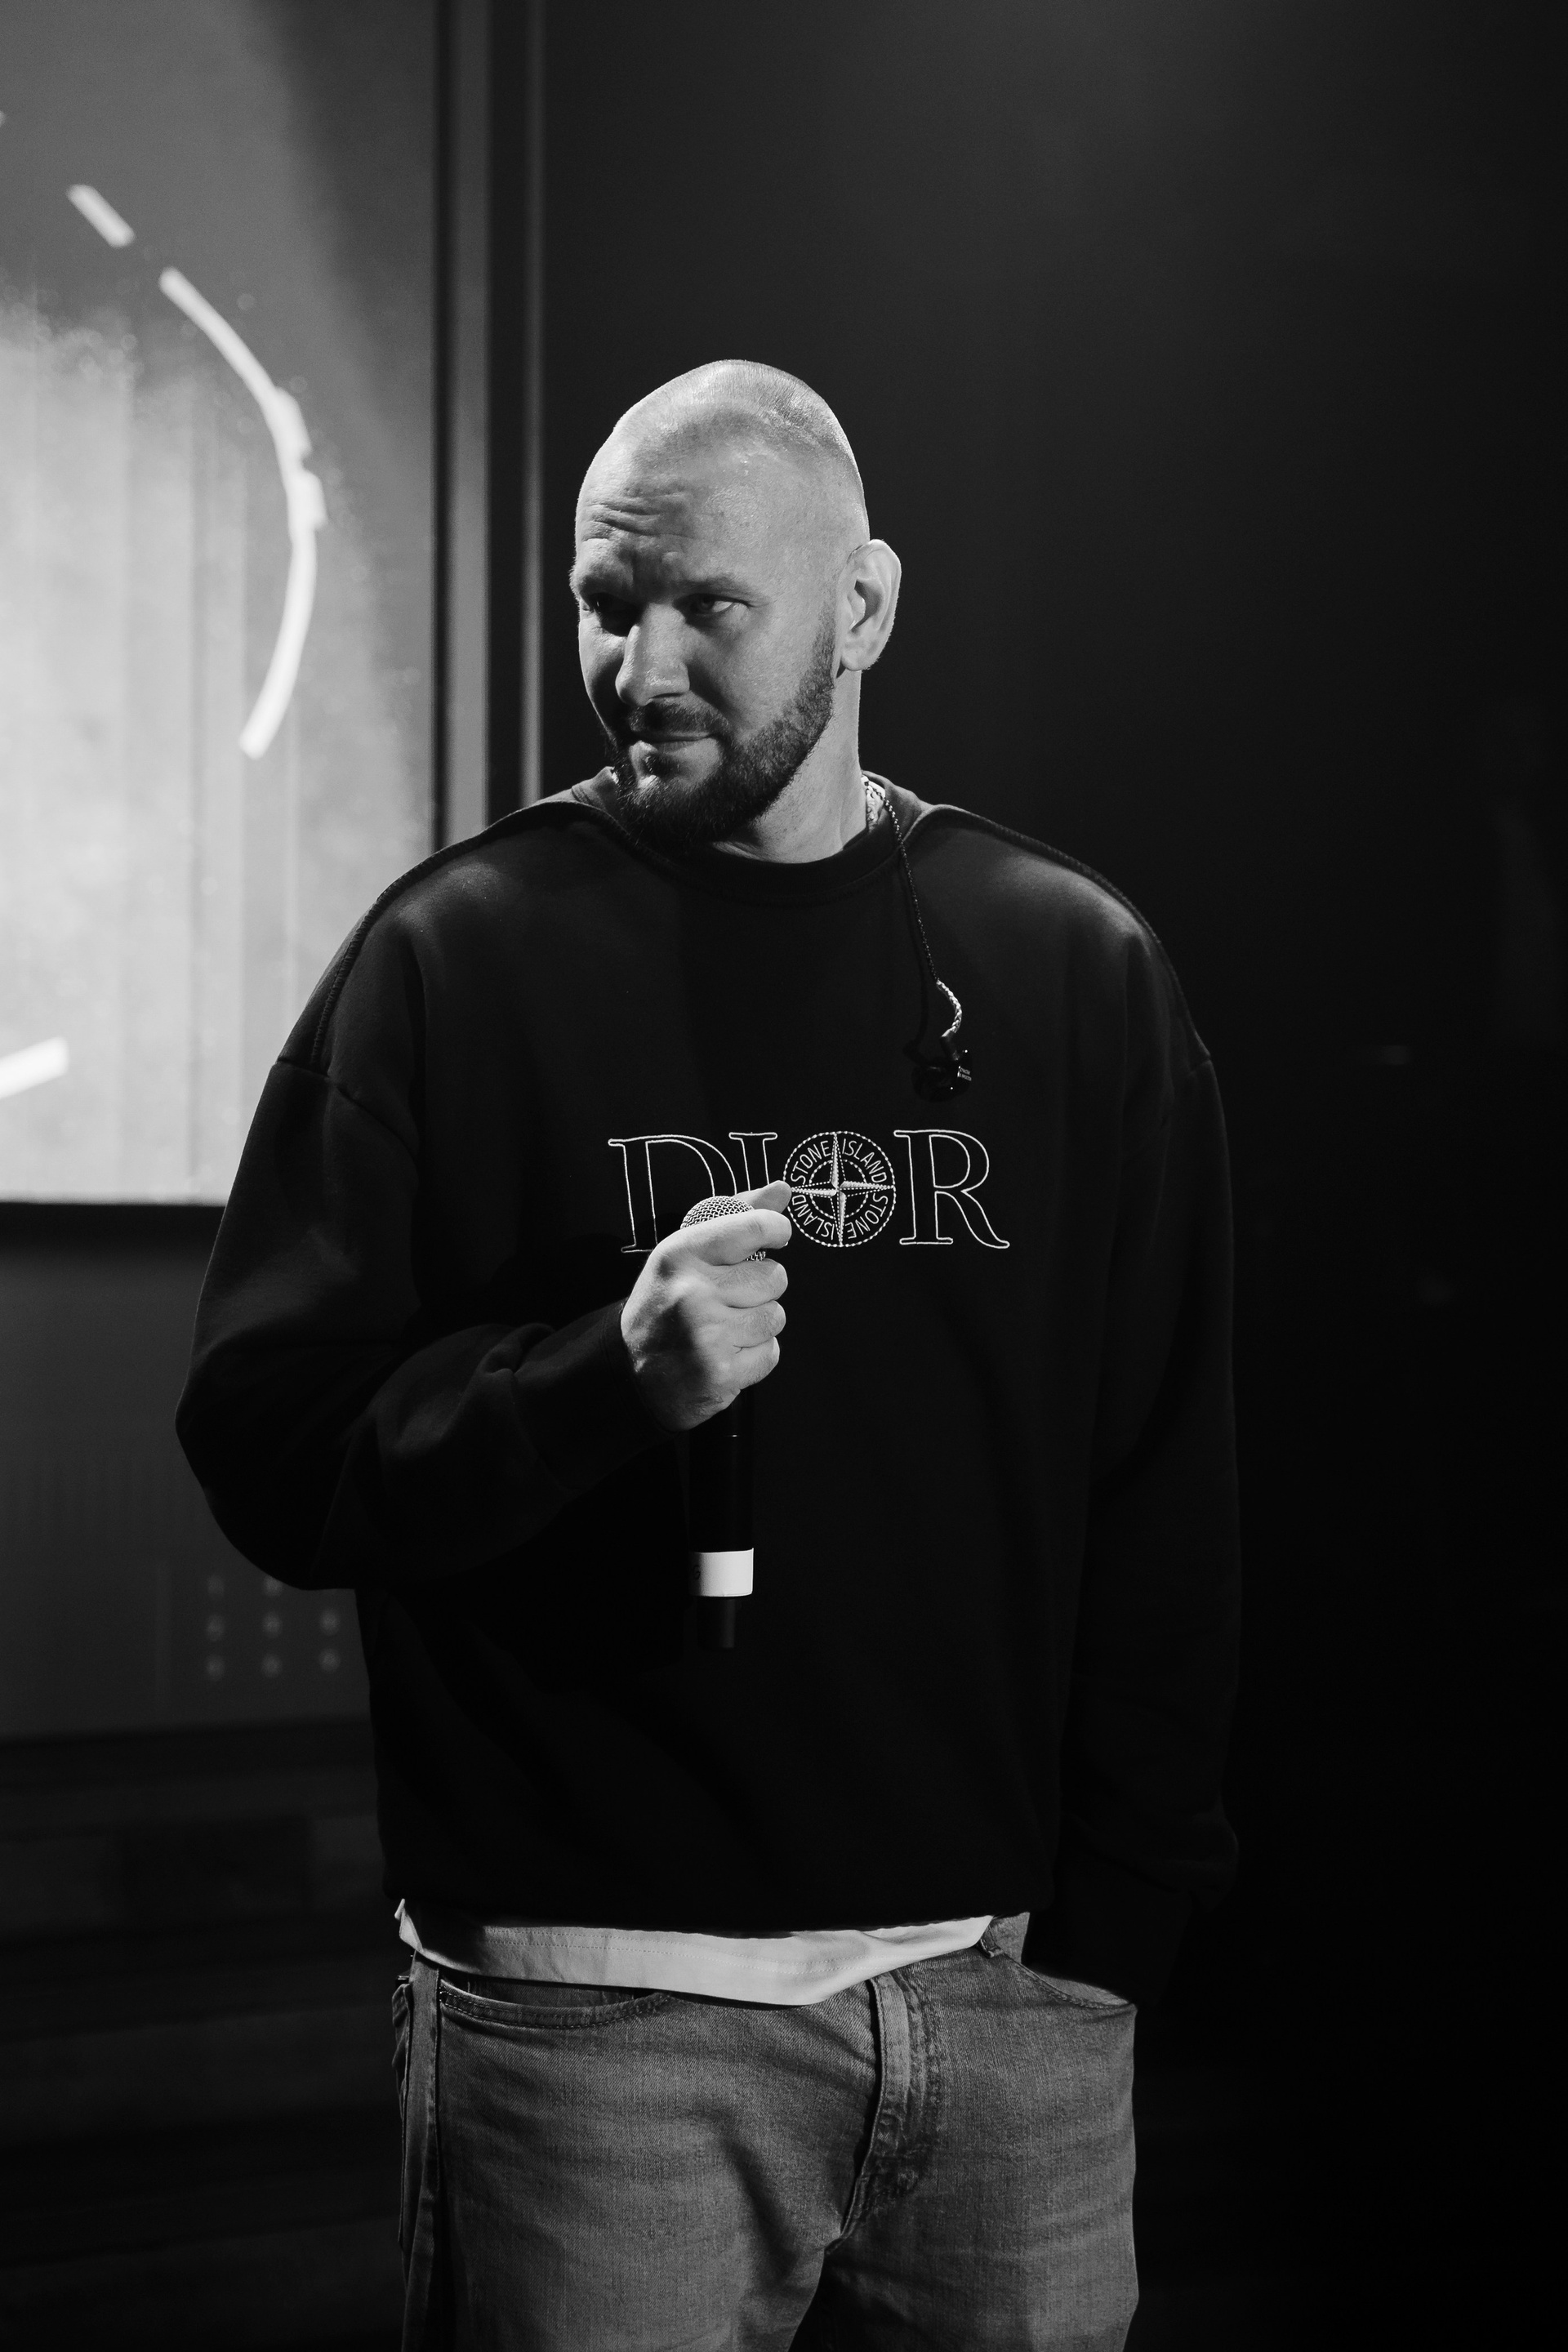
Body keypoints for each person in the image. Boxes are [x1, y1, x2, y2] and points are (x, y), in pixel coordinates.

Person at [177, 359, 1241, 2350]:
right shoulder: (453, 957)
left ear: (865, 606)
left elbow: (1165, 1471)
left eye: (710, 607)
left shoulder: (1067, 967)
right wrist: (606, 1382)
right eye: (607, 604)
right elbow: (269, 1444)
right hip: (599, 2034)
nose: (641, 665)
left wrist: (1116, 1927)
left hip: (1005, 2008)